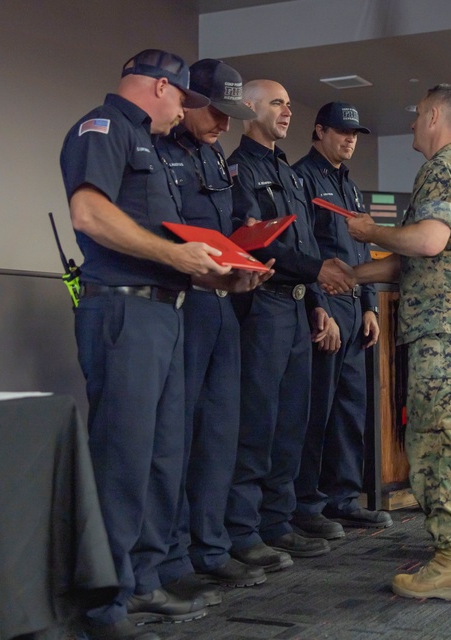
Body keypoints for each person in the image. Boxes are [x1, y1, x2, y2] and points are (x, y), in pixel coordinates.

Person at [60, 49, 227, 640]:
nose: (183, 110)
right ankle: (100, 611)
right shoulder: (100, 130)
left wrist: (213, 272)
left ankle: (143, 582)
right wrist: (178, 259)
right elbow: (90, 213)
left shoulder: (148, 143)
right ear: (161, 87)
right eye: (182, 98)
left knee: (161, 457)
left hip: (167, 311)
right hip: (123, 312)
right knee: (121, 462)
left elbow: (163, 241)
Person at [344, 84, 451, 601]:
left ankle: (449, 563)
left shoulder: (442, 167)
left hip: (447, 333)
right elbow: (420, 258)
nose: (414, 125)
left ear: (435, 115)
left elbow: (428, 240)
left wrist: (371, 229)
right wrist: (353, 275)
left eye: (417, 116)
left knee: (439, 442)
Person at [155, 59, 272, 603]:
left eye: (233, 116)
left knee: (221, 432)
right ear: (188, 99)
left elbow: (225, 232)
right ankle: (172, 556)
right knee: (174, 436)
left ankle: (210, 546)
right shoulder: (156, 150)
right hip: (179, 306)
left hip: (221, 305)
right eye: (216, 112)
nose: (225, 124)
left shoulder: (214, 156)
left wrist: (246, 264)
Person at [225, 79, 354, 573]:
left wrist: (316, 300)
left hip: (298, 306)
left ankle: (278, 523)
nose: (286, 111)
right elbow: (254, 242)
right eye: (276, 103)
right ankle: (244, 528)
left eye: (287, 103)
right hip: (264, 309)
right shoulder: (240, 169)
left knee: (292, 423)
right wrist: (315, 274)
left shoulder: (289, 172)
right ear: (249, 110)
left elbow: (307, 244)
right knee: (258, 422)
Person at [290, 102, 391, 540]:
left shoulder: (347, 185)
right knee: (319, 410)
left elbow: (361, 252)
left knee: (351, 406)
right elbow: (306, 249)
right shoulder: (302, 177)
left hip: (354, 307)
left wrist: (369, 304)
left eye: (355, 133)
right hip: (324, 307)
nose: (350, 139)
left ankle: (343, 499)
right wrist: (320, 306)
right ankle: (306, 503)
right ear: (319, 131)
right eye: (342, 132)